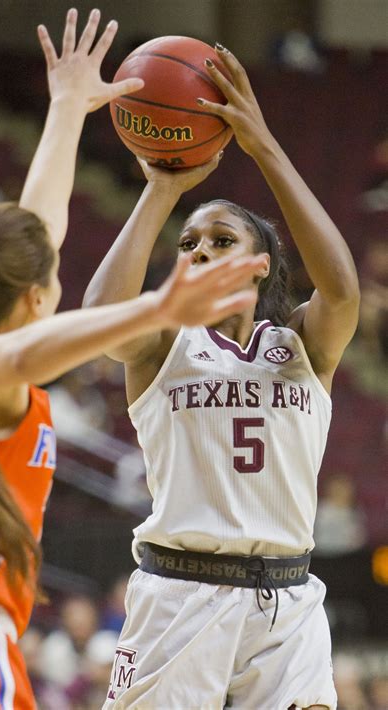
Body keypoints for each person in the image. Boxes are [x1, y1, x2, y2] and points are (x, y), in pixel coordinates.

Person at [0, 11, 266, 710]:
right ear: (33, 298)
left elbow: (42, 228)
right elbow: (22, 348)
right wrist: (157, 310)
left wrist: (68, 107)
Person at [83, 45, 360, 710]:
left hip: (287, 602)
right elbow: (98, 317)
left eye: (222, 240)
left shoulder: (300, 345)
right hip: (180, 594)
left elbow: (343, 289)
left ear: (262, 264)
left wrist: (263, 145)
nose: (201, 248)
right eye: (189, 244)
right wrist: (162, 188)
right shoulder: (161, 346)